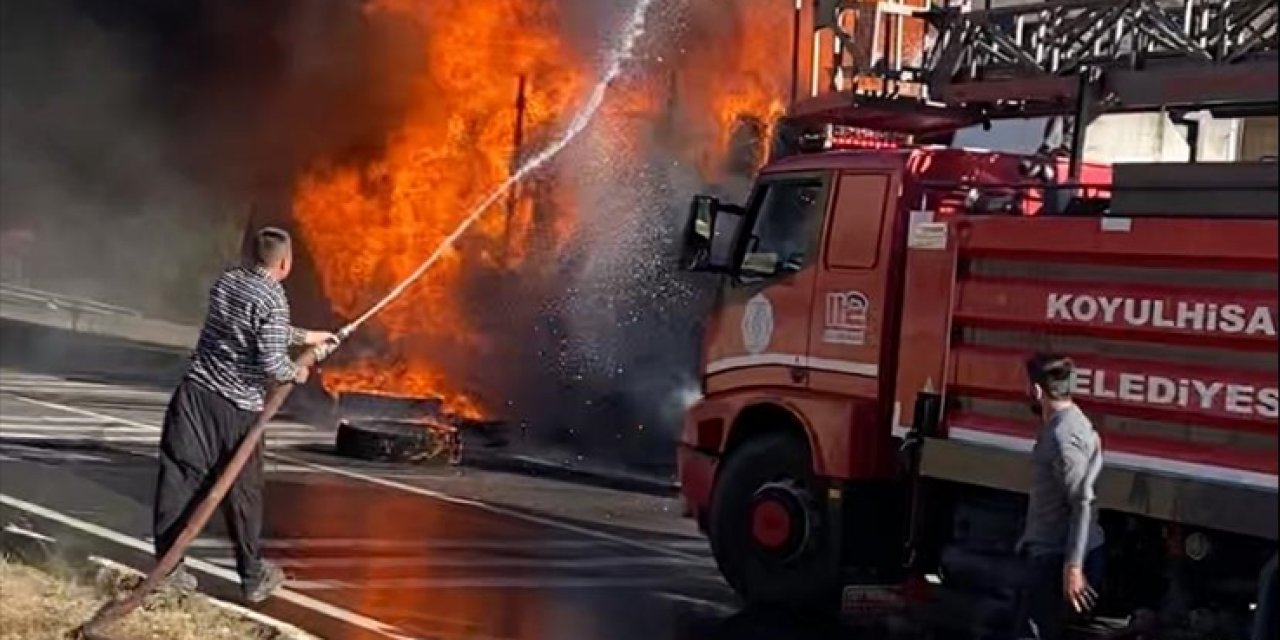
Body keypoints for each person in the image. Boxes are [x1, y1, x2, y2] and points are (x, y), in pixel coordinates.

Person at [153, 226, 333, 603]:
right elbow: (272, 362)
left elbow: (252, 324)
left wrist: (306, 337)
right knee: (243, 494)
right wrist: (297, 371)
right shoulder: (274, 299)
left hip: (195, 395)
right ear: (284, 263)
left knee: (179, 480)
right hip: (237, 411)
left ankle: (167, 570)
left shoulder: (229, 280)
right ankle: (252, 576)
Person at [1012, 353, 1106, 640]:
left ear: (1037, 390)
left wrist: (1074, 567)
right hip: (1054, 552)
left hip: (1055, 558)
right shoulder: (1074, 423)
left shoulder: (1062, 437)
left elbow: (1082, 503)